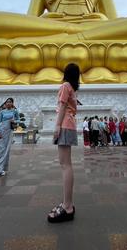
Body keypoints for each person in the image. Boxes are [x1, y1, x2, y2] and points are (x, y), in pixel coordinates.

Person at [48, 63, 80, 223]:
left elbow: (61, 107)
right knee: (67, 164)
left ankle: (67, 206)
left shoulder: (65, 86)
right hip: (71, 125)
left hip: (65, 125)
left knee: (65, 165)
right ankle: (68, 203)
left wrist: (57, 126)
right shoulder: (72, 88)